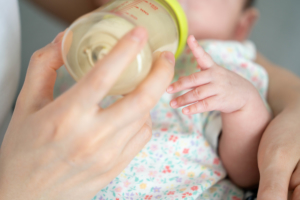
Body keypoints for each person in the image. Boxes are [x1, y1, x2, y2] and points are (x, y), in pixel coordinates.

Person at [0, 0, 299, 199]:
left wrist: (243, 104)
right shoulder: (81, 46)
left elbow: (248, 171)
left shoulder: (221, 63)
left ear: (240, 28)